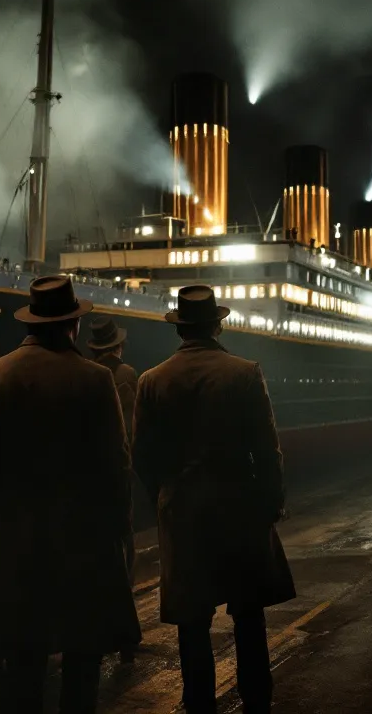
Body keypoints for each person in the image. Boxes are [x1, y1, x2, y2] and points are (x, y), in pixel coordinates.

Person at [0, 275, 140, 713]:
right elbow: (116, 466)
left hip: (15, 544)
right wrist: (119, 530)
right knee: (82, 664)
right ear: (72, 326)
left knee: (23, 666)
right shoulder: (96, 379)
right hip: (82, 546)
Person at [132, 286, 296, 714]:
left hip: (182, 513)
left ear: (180, 330)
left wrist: (164, 498)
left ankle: (199, 703)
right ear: (217, 324)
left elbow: (142, 456)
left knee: (192, 620)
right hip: (238, 508)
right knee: (247, 614)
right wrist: (271, 501)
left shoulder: (151, 380)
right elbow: (267, 447)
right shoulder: (244, 372)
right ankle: (257, 700)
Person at [86, 316, 140, 663]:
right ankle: (124, 636)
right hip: (116, 474)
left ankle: (93, 627)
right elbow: (133, 429)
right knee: (122, 552)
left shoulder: (85, 374)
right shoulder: (126, 376)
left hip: (84, 477)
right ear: (118, 346)